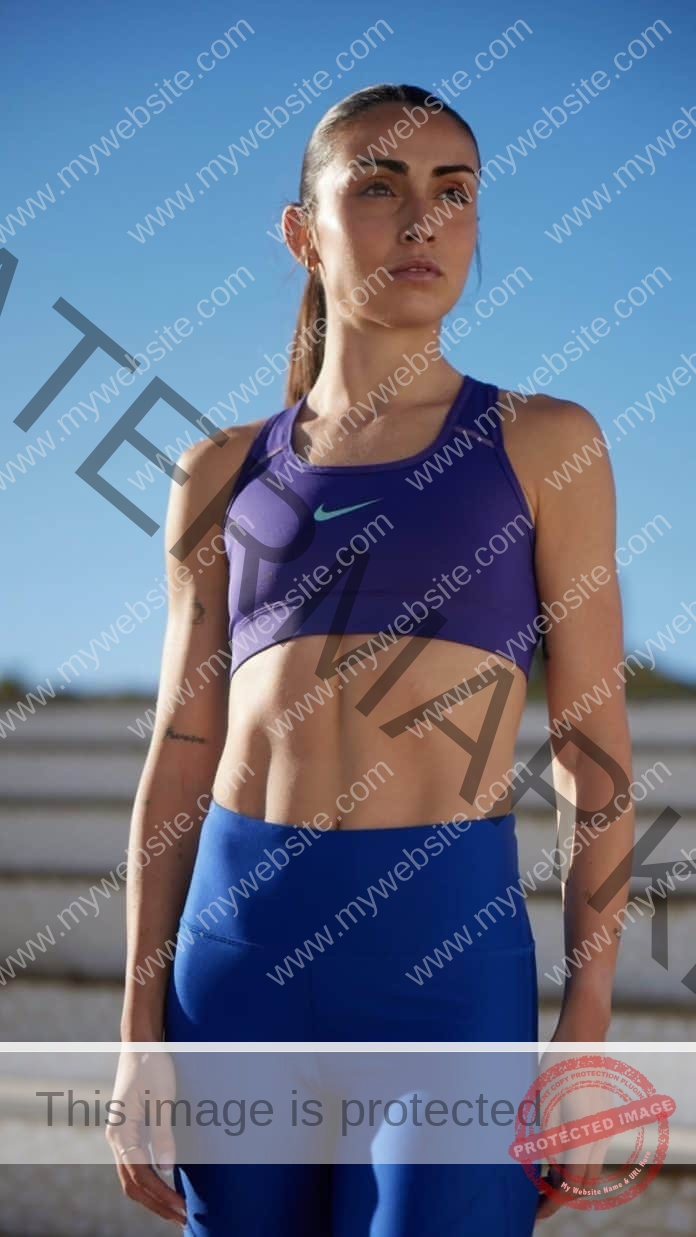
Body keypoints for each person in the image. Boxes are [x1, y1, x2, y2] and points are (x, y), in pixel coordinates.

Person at [109, 83, 635, 1234]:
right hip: (235, 954)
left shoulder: (546, 443)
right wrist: (136, 1034)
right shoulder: (218, 472)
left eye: (454, 192)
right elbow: (183, 747)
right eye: (379, 188)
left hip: (444, 959)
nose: (423, 221)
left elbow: (593, 758)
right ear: (301, 231)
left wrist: (585, 1029)